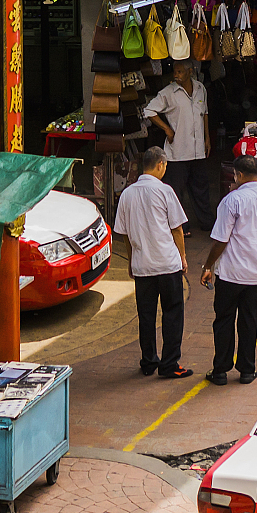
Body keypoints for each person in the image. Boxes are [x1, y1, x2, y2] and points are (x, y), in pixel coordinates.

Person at [202, 156, 257, 385]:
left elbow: (220, 240)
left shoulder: (232, 200)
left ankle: (220, 370)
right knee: (250, 321)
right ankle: (247, 370)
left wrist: (208, 265)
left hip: (231, 274)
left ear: (237, 175)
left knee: (224, 321)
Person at [114, 147, 192, 379]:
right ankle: (169, 364)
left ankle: (149, 361)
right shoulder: (165, 191)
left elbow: (125, 234)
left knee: (146, 316)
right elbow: (177, 229)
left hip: (142, 266)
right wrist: (183, 258)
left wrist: (131, 261)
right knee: (172, 313)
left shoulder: (127, 194)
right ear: (160, 164)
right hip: (167, 264)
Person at [143, 57, 213, 231]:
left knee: (201, 188)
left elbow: (204, 113)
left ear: (190, 72)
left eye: (180, 71)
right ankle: (182, 226)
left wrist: (207, 138)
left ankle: (206, 222)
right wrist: (166, 129)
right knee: (176, 191)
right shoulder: (168, 92)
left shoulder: (200, 88)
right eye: (175, 71)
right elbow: (149, 110)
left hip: (198, 150)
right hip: (178, 151)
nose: (176, 75)